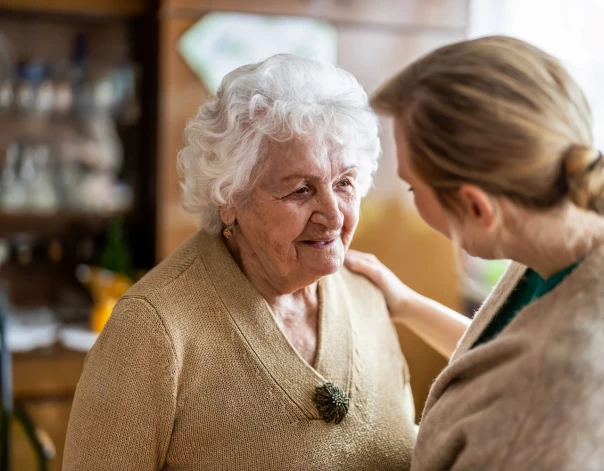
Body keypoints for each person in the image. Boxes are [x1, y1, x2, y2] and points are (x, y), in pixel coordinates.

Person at [63, 54, 416, 471]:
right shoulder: (152, 330)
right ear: (230, 199)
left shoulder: (369, 296)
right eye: (301, 190)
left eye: (344, 183)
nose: (334, 215)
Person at [346, 36, 604, 470]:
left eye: (413, 187)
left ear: (476, 206)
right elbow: (506, 357)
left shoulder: (542, 417)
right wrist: (406, 305)